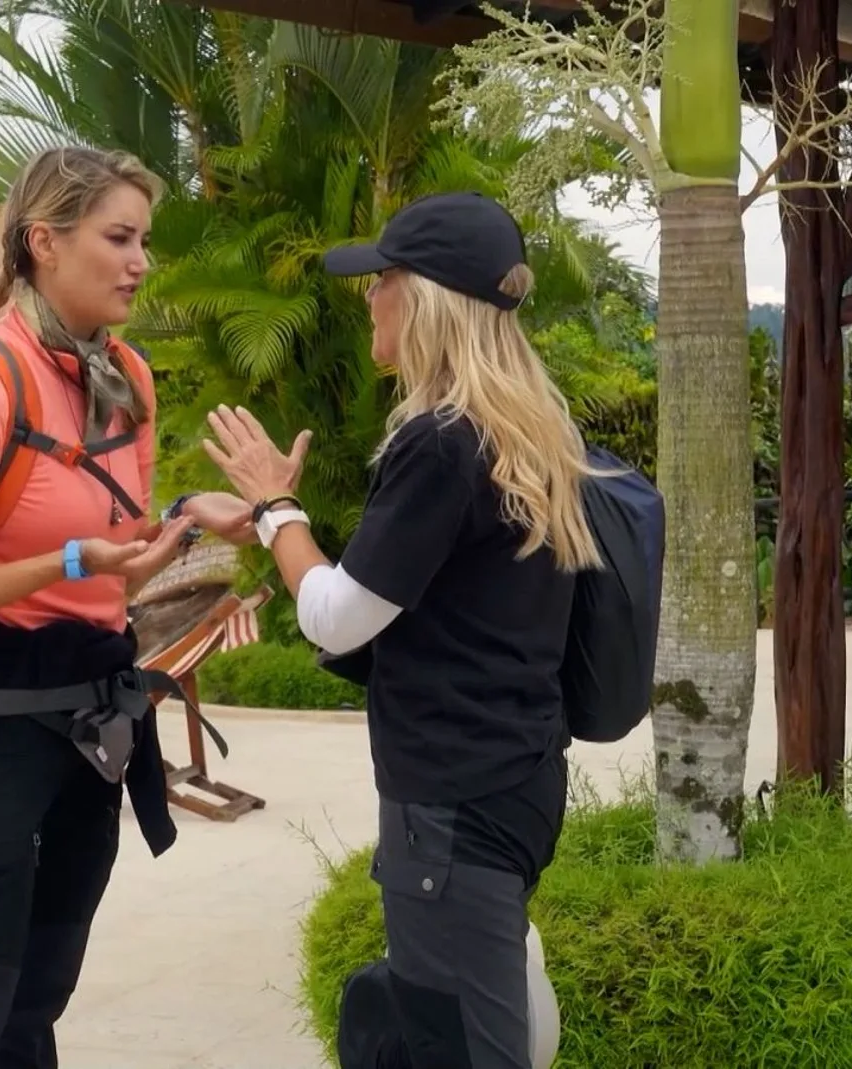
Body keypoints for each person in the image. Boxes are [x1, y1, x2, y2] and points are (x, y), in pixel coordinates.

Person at [0, 145, 248, 1069]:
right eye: (118, 237)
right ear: (44, 241)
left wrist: (190, 523)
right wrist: (66, 557)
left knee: (32, 1018)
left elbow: (113, 577)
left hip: (88, 742)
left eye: (143, 240)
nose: (140, 261)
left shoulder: (129, 382)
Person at [200, 191, 588, 1069]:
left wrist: (275, 508)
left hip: (452, 800)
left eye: (379, 281)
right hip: (520, 778)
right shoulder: (537, 434)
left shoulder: (443, 441)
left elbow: (338, 616)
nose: (367, 297)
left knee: (462, 1044)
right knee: (487, 1020)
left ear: (422, 298)